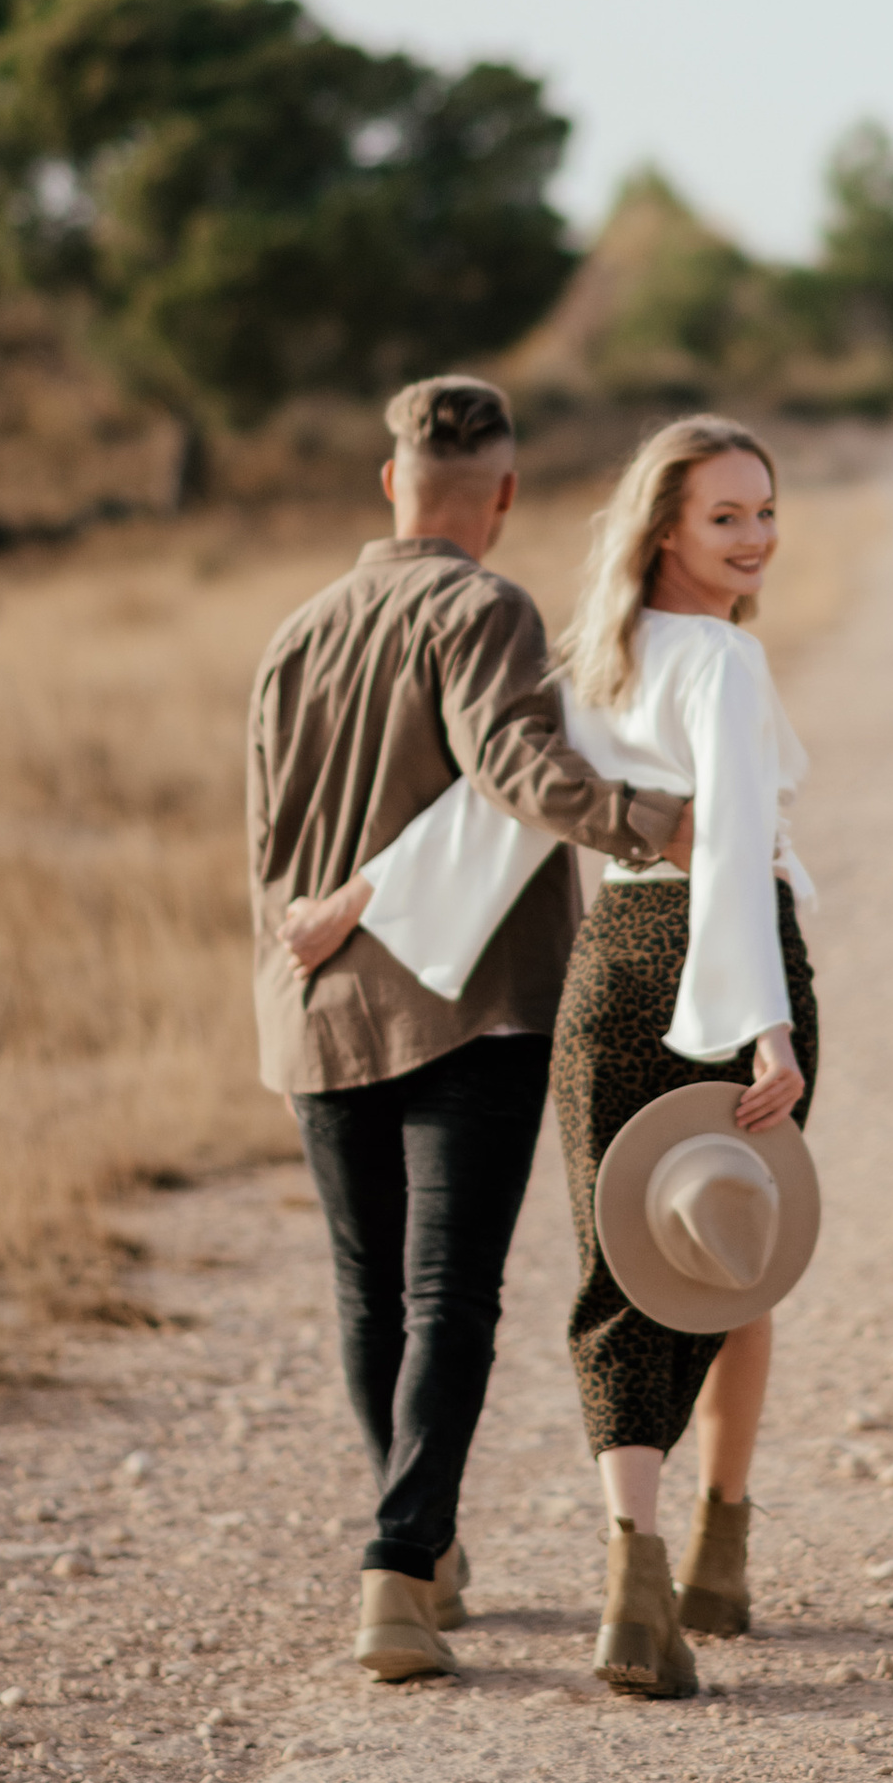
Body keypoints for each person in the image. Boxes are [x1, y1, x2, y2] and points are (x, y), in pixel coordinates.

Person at [246, 375, 690, 1687]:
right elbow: (516, 767)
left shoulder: (296, 631)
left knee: (369, 1289)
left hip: (313, 1005)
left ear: (391, 483)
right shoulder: (485, 605)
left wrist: (290, 969)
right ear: (503, 494)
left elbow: (270, 841)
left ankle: (420, 1558)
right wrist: (659, 827)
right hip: (469, 1007)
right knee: (451, 1295)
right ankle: (399, 1562)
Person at [548, 412, 817, 1700]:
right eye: (728, 516)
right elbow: (727, 860)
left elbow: (502, 806)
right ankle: (718, 1546)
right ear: (666, 526)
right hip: (730, 955)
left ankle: (638, 1577)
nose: (756, 536)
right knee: (735, 1249)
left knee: (622, 1261)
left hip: (609, 961)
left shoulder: (587, 658)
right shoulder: (718, 661)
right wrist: (763, 1020)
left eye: (765, 512)